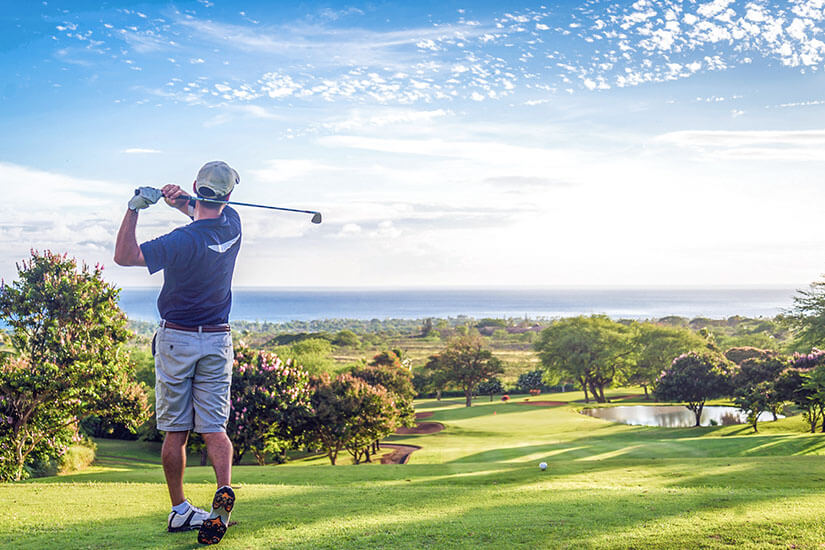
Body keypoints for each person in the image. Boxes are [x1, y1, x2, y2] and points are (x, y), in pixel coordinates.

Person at [114, 161, 242, 546]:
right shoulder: (233, 225)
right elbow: (203, 212)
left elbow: (125, 256)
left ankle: (180, 509)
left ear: (196, 186)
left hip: (177, 340)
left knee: (176, 430)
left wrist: (134, 208)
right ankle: (222, 494)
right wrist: (180, 202)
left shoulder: (180, 242)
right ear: (229, 195)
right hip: (217, 340)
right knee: (214, 429)